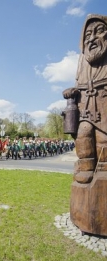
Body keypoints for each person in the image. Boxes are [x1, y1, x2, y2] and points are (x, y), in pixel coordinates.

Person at [63, 14, 107, 183]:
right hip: (87, 107)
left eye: (100, 31)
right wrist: (72, 91)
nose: (92, 39)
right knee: (83, 133)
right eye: (88, 35)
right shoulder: (82, 60)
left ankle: (103, 168)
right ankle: (86, 166)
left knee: (103, 139)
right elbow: (77, 82)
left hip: (104, 105)